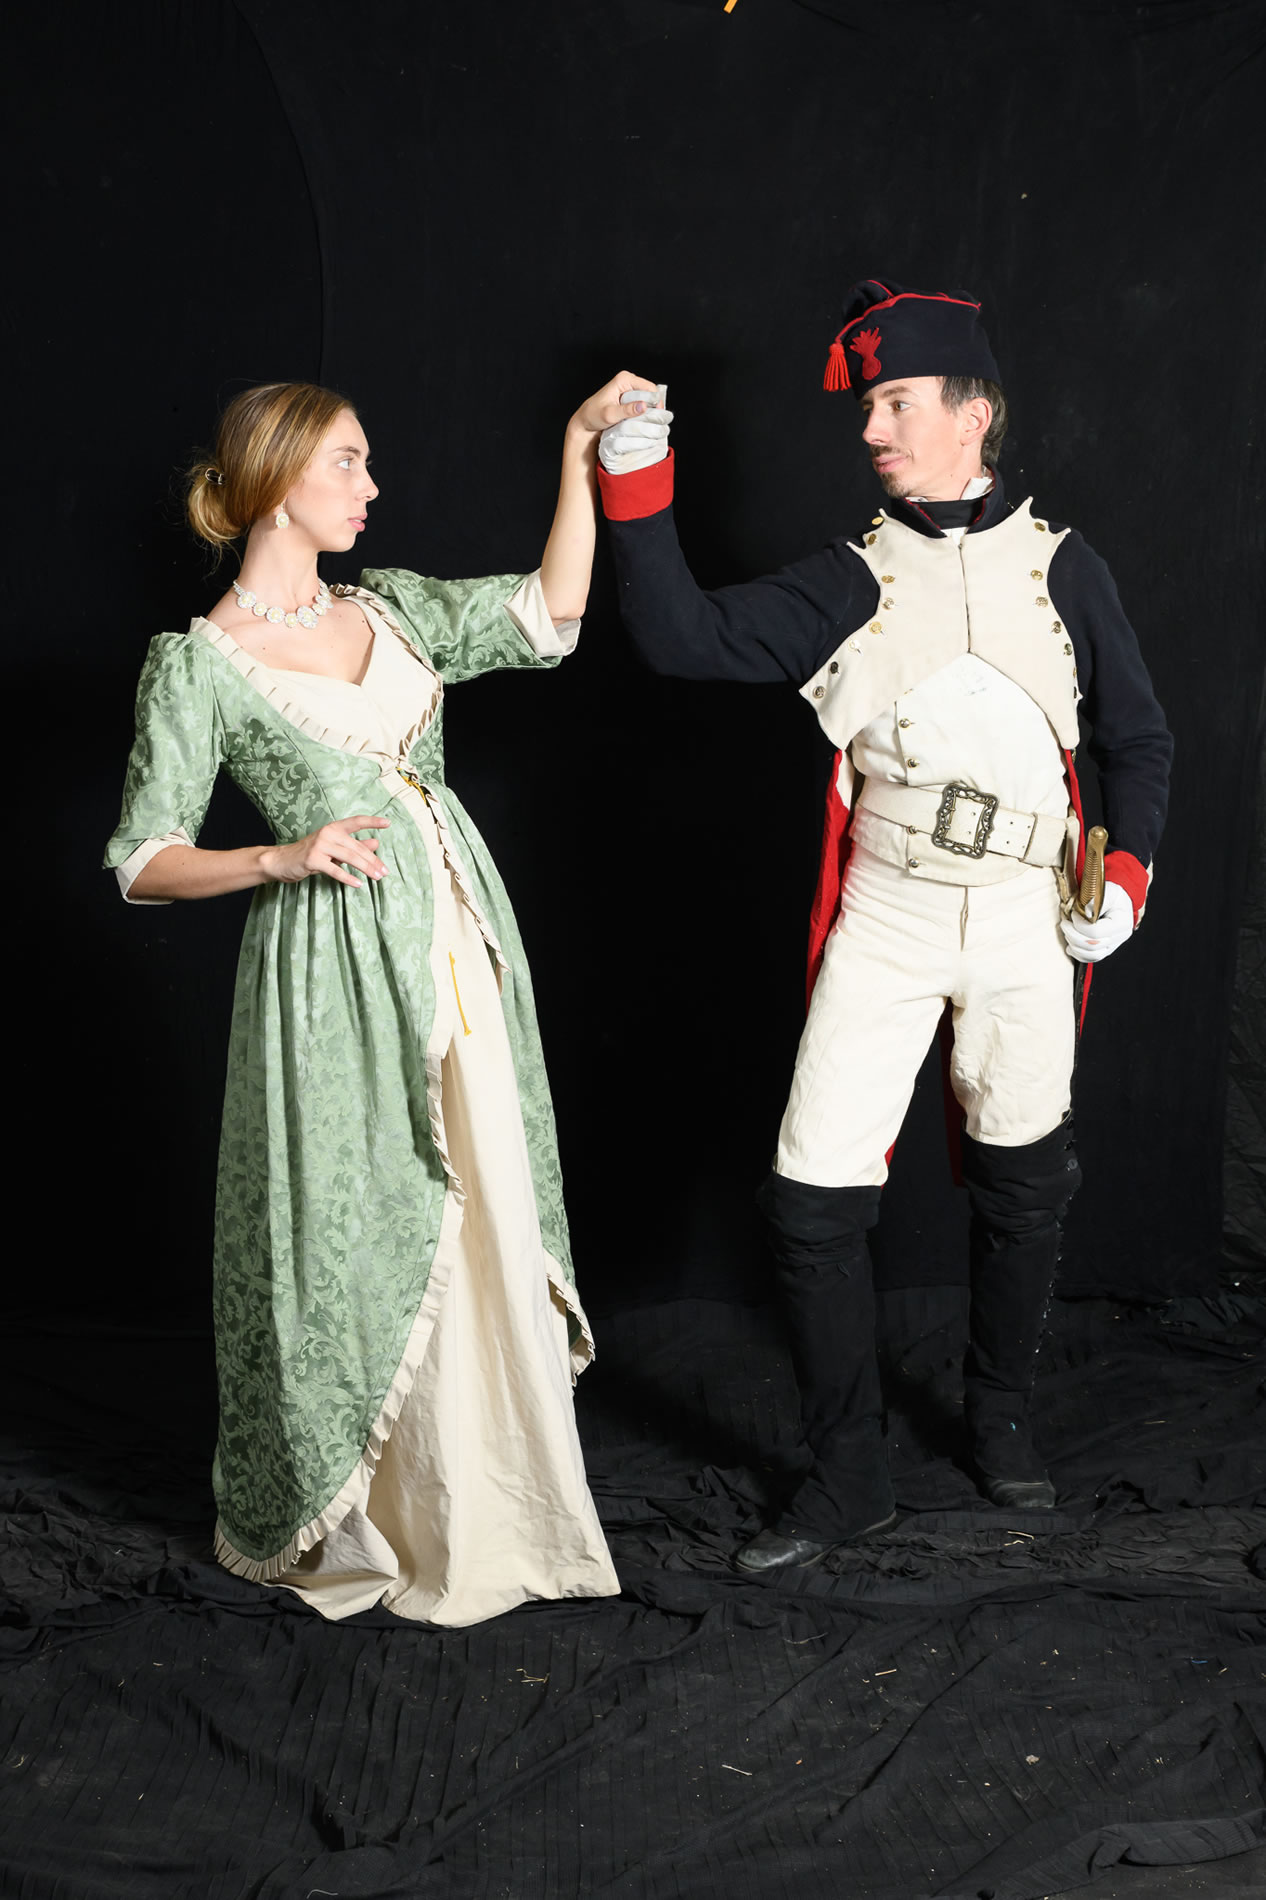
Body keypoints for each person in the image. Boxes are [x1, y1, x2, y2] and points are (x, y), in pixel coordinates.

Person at [596, 280, 1172, 1570]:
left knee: (1026, 1183)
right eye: (869, 406)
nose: (871, 428)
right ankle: (849, 1472)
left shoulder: (1065, 569)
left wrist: (1127, 878)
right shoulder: (852, 577)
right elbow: (681, 637)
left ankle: (1001, 1417)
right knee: (811, 1200)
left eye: (897, 402)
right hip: (889, 910)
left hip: (1027, 913)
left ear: (973, 413)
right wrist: (635, 469)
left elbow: (1138, 738)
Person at [105, 373, 655, 1623]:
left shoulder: (392, 608)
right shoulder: (202, 665)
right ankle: (379, 1510)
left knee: (484, 1190)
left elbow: (551, 614)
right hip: (333, 971)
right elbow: (143, 859)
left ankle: (497, 1506)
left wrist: (580, 450)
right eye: (346, 463)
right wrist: (281, 855)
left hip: (456, 938)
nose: (372, 486)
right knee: (362, 1218)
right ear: (276, 482)